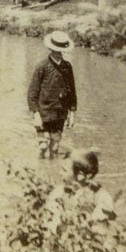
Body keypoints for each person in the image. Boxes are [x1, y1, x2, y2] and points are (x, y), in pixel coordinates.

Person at [27, 31, 78, 159]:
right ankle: (41, 170)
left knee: (54, 148)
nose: (59, 54)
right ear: (50, 49)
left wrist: (72, 114)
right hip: (43, 112)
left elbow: (72, 91)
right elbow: (32, 93)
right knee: (43, 147)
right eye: (56, 50)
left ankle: (52, 171)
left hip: (60, 113)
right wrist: (36, 114)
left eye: (61, 51)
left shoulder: (67, 67)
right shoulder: (42, 67)